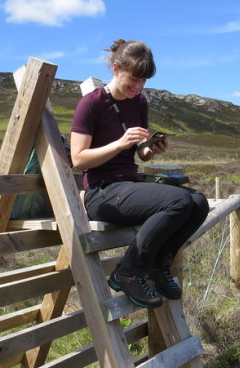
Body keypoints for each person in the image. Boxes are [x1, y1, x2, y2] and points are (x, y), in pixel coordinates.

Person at [70, 39, 209, 308]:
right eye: (134, 79)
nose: (138, 86)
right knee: (178, 201)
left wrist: (150, 150)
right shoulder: (91, 104)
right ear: (116, 68)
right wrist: (120, 143)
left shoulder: (139, 102)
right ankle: (128, 272)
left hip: (129, 184)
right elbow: (78, 159)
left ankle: (159, 265)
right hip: (101, 191)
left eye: (143, 80)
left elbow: (138, 154)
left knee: (198, 202)